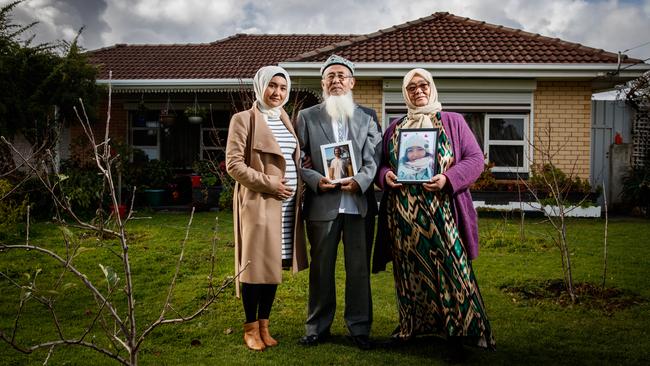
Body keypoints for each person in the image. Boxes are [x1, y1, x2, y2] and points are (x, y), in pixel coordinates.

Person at [373, 68, 495, 361]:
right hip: (403, 214)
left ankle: (458, 333)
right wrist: (386, 175)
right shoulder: (395, 127)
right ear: (405, 93)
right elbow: (381, 165)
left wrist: (448, 179)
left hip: (442, 211)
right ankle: (411, 327)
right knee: (409, 273)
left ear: (432, 87)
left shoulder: (452, 121)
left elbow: (476, 159)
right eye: (411, 87)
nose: (418, 90)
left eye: (423, 84)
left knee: (452, 271)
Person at [295, 54, 382, 350]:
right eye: (330, 76)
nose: (336, 81)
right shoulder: (307, 116)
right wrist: (313, 179)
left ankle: (359, 327)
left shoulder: (368, 116)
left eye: (341, 76)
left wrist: (359, 181)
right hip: (323, 204)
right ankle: (317, 326)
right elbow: (298, 160)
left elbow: (374, 158)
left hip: (358, 205)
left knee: (358, 269)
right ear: (323, 83)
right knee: (322, 269)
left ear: (352, 82)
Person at [226, 65, 308, 351]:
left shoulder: (285, 118)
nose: (277, 92)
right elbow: (234, 165)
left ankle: (264, 325)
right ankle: (250, 328)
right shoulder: (244, 119)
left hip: (285, 208)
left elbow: (290, 157)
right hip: (259, 202)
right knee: (254, 267)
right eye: (272, 85)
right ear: (260, 85)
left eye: (283, 88)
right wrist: (271, 184)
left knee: (273, 265)